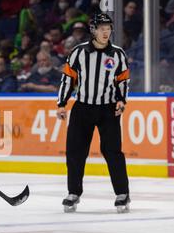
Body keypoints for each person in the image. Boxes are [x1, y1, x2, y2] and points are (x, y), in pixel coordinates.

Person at [56, 13, 131, 213]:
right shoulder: (78, 52)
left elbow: (123, 80)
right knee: (75, 152)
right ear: (93, 30)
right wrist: (61, 103)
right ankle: (73, 193)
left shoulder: (117, 54)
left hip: (108, 110)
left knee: (113, 152)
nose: (106, 32)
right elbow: (68, 79)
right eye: (102, 28)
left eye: (108, 28)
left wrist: (122, 101)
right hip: (82, 108)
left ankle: (122, 193)